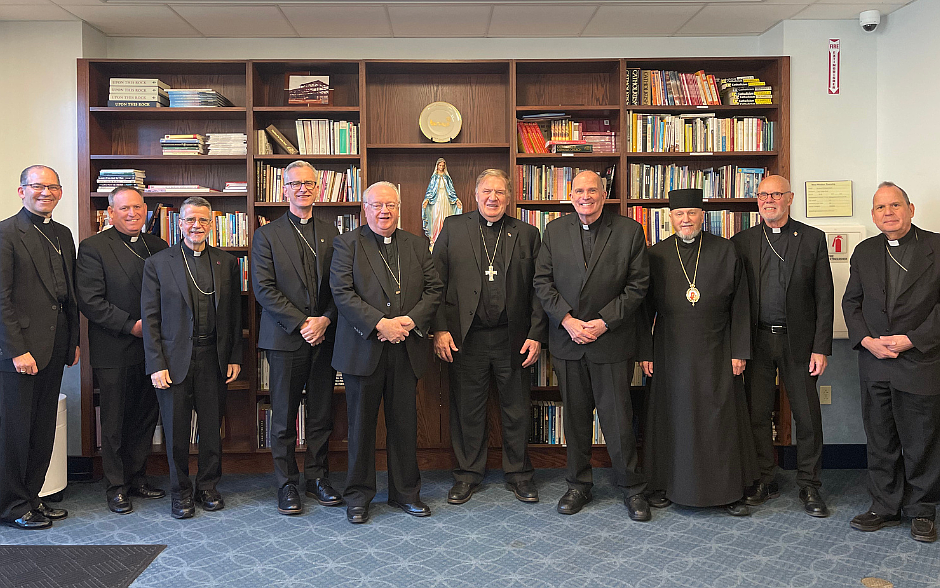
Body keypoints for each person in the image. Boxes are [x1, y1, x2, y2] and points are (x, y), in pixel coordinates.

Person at [533, 170, 651, 520]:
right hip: (568, 341)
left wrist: (602, 322)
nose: (586, 196)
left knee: (618, 420)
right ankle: (578, 485)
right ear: (571, 196)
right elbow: (543, 281)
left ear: (604, 194)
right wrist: (568, 320)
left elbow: (637, 285)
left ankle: (631, 487)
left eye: (592, 190)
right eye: (579, 191)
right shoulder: (554, 231)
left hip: (610, 341)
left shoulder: (629, 231)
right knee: (576, 419)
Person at [330, 181, 443, 524]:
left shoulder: (416, 245)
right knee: (361, 427)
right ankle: (358, 497)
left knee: (404, 425)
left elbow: (433, 288)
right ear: (365, 209)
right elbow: (342, 292)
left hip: (406, 348)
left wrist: (408, 321)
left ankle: (405, 493)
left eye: (390, 205)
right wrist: (381, 324)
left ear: (399, 207)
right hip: (363, 348)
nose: (384, 211)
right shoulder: (347, 244)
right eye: (377, 205)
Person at [432, 169, 547, 505]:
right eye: (486, 191)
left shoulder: (526, 233)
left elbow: (540, 290)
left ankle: (519, 475)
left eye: (499, 192)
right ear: (476, 194)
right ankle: (467, 475)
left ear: (508, 197)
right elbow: (435, 282)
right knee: (467, 409)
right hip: (466, 338)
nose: (492, 198)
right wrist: (439, 329)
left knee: (516, 409)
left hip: (514, 338)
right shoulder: (454, 228)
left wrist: (537, 334)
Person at [640, 188, 757, 516]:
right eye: (679, 214)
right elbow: (643, 310)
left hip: (718, 348)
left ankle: (729, 491)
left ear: (702, 215)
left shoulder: (726, 251)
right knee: (672, 416)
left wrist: (740, 351)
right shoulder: (657, 255)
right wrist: (646, 352)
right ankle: (665, 484)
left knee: (719, 418)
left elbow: (742, 305)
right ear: (671, 218)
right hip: (670, 349)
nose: (686, 219)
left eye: (691, 213)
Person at [843, 181, 940, 543]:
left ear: (910, 209)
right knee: (880, 438)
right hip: (876, 362)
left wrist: (913, 339)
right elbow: (852, 302)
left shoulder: (937, 246)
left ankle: (921, 510)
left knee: (921, 441)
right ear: (873, 215)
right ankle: (884, 506)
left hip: (921, 359)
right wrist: (867, 341)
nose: (888, 212)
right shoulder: (865, 251)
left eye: (895, 205)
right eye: (881, 207)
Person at [732, 175, 834, 517]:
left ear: (789, 198)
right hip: (757, 341)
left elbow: (824, 297)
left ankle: (809, 484)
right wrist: (738, 347)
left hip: (799, 343)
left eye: (776, 194)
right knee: (757, 413)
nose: (768, 200)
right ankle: (764, 477)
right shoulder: (742, 241)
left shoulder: (812, 239)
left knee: (807, 416)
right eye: (763, 195)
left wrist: (821, 347)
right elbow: (735, 300)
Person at [141, 196, 242, 519]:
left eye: (202, 220)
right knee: (176, 432)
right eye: (189, 220)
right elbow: (151, 318)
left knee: (212, 429)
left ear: (212, 224)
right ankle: (180, 491)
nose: (196, 226)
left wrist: (234, 356)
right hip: (173, 361)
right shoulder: (158, 263)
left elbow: (234, 315)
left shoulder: (226, 262)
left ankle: (208, 487)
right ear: (179, 224)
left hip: (213, 357)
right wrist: (156, 363)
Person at [252, 161, 341, 516]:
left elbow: (343, 287)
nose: (302, 189)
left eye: (308, 183)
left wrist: (325, 319)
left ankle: (317, 478)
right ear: (283, 188)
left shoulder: (332, 232)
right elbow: (263, 288)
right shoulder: (267, 235)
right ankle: (286, 483)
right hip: (286, 338)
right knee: (284, 415)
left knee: (321, 413)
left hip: (325, 336)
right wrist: (303, 321)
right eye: (294, 184)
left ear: (317, 188)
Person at [76, 186, 169, 515]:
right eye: (124, 208)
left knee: (145, 417)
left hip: (153, 349)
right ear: (110, 213)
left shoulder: (158, 246)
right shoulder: (93, 248)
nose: (132, 214)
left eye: (138, 208)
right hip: (114, 347)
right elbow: (90, 300)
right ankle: (116, 486)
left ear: (146, 210)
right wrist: (131, 325)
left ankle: (137, 477)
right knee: (114, 420)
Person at [0, 165, 80, 530]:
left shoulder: (63, 234)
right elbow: (1, 300)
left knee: (42, 428)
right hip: (21, 352)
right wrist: (17, 349)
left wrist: (73, 341)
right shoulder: (5, 233)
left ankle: (33, 498)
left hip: (55, 347)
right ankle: (12, 505)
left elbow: (68, 295)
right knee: (15, 432)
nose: (45, 192)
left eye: (52, 187)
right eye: (37, 186)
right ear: (21, 191)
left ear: (60, 193)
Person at [422, 158, 462, 249]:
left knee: (445, 218)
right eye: (440, 165)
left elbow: (451, 190)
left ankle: (446, 239)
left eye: (443, 166)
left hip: (446, 200)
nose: (441, 167)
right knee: (436, 218)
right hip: (436, 201)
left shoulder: (447, 178)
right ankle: (435, 239)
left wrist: (456, 200)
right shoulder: (434, 177)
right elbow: (430, 190)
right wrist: (427, 200)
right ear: (437, 166)